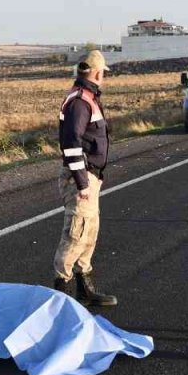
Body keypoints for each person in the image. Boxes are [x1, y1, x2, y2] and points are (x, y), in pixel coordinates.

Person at [53, 49, 117, 307]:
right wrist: (82, 183)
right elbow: (71, 144)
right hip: (81, 177)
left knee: (88, 232)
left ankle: (84, 290)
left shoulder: (88, 98)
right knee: (75, 234)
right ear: (97, 73)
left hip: (90, 175)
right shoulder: (80, 101)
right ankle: (61, 295)